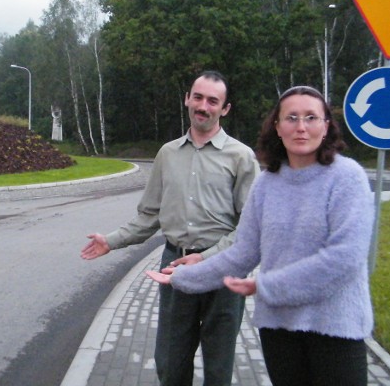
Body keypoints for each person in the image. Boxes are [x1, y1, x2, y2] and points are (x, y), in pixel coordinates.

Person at [147, 85, 375, 386]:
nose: (301, 127)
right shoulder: (267, 184)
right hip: (278, 328)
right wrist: (183, 278)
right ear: (277, 127)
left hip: (335, 328)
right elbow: (243, 252)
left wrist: (264, 285)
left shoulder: (347, 178)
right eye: (291, 117)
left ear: (326, 125)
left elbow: (343, 259)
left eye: (311, 117)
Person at [81, 70, 260, 385]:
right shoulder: (167, 154)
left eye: (213, 101)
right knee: (170, 362)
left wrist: (207, 259)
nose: (203, 106)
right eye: (198, 97)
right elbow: (149, 216)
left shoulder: (241, 157)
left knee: (218, 367)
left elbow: (251, 226)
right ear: (187, 99)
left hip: (223, 270)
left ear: (225, 108)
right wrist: (111, 241)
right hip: (174, 267)